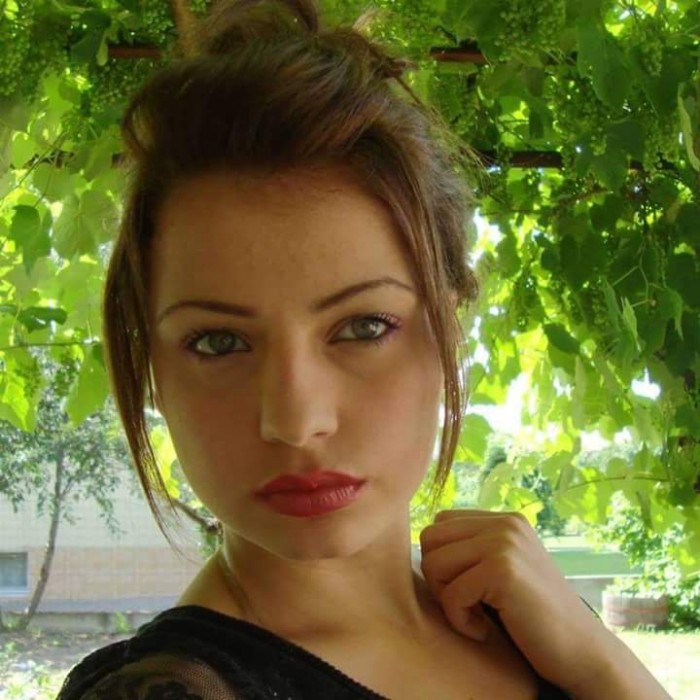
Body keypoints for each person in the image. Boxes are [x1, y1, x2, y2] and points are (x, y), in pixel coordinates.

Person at [57, 1, 672, 698]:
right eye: (219, 342)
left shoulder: (534, 622)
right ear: (153, 371)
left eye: (363, 328)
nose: (296, 420)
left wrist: (599, 660)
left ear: (450, 329)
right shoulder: (168, 691)